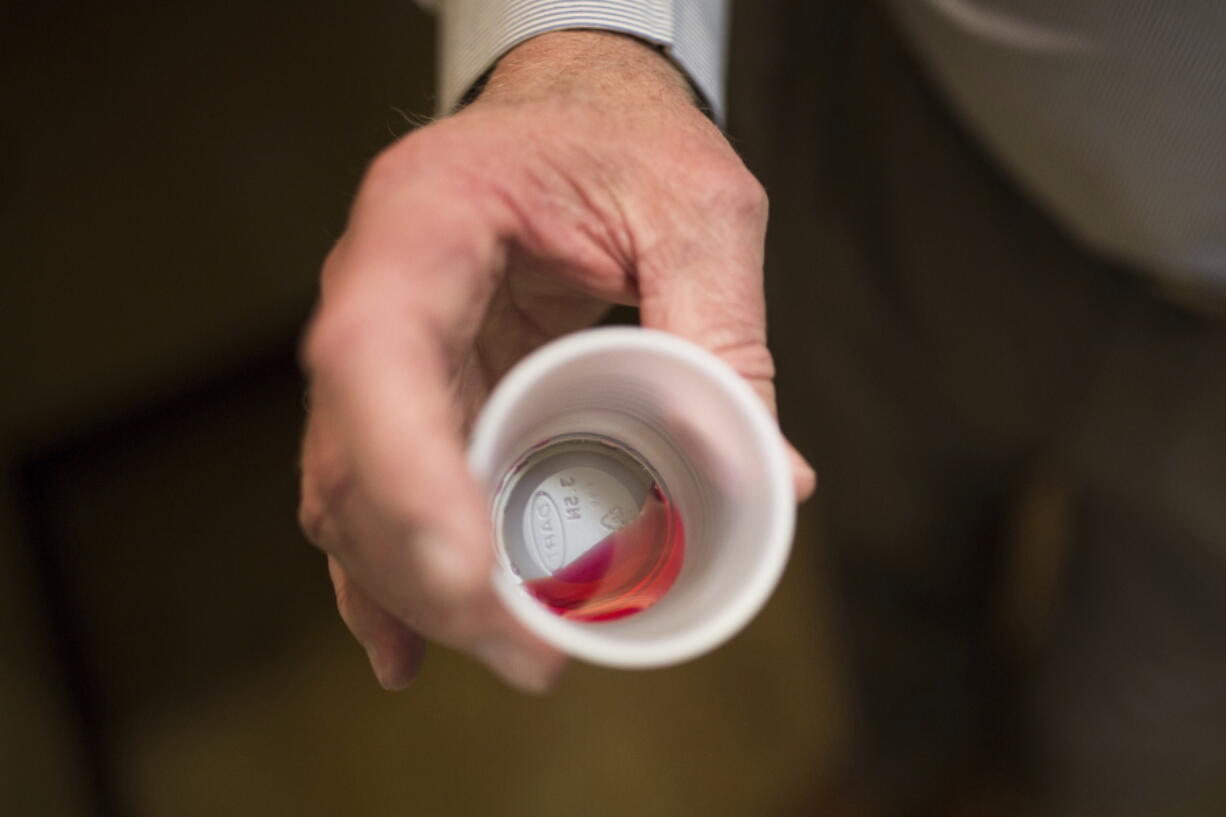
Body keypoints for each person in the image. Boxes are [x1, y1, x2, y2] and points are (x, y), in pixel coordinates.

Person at [298, 2, 1226, 813]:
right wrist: (581, 44)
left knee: (1144, 721)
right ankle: (912, 776)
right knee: (882, 543)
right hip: (931, 127)